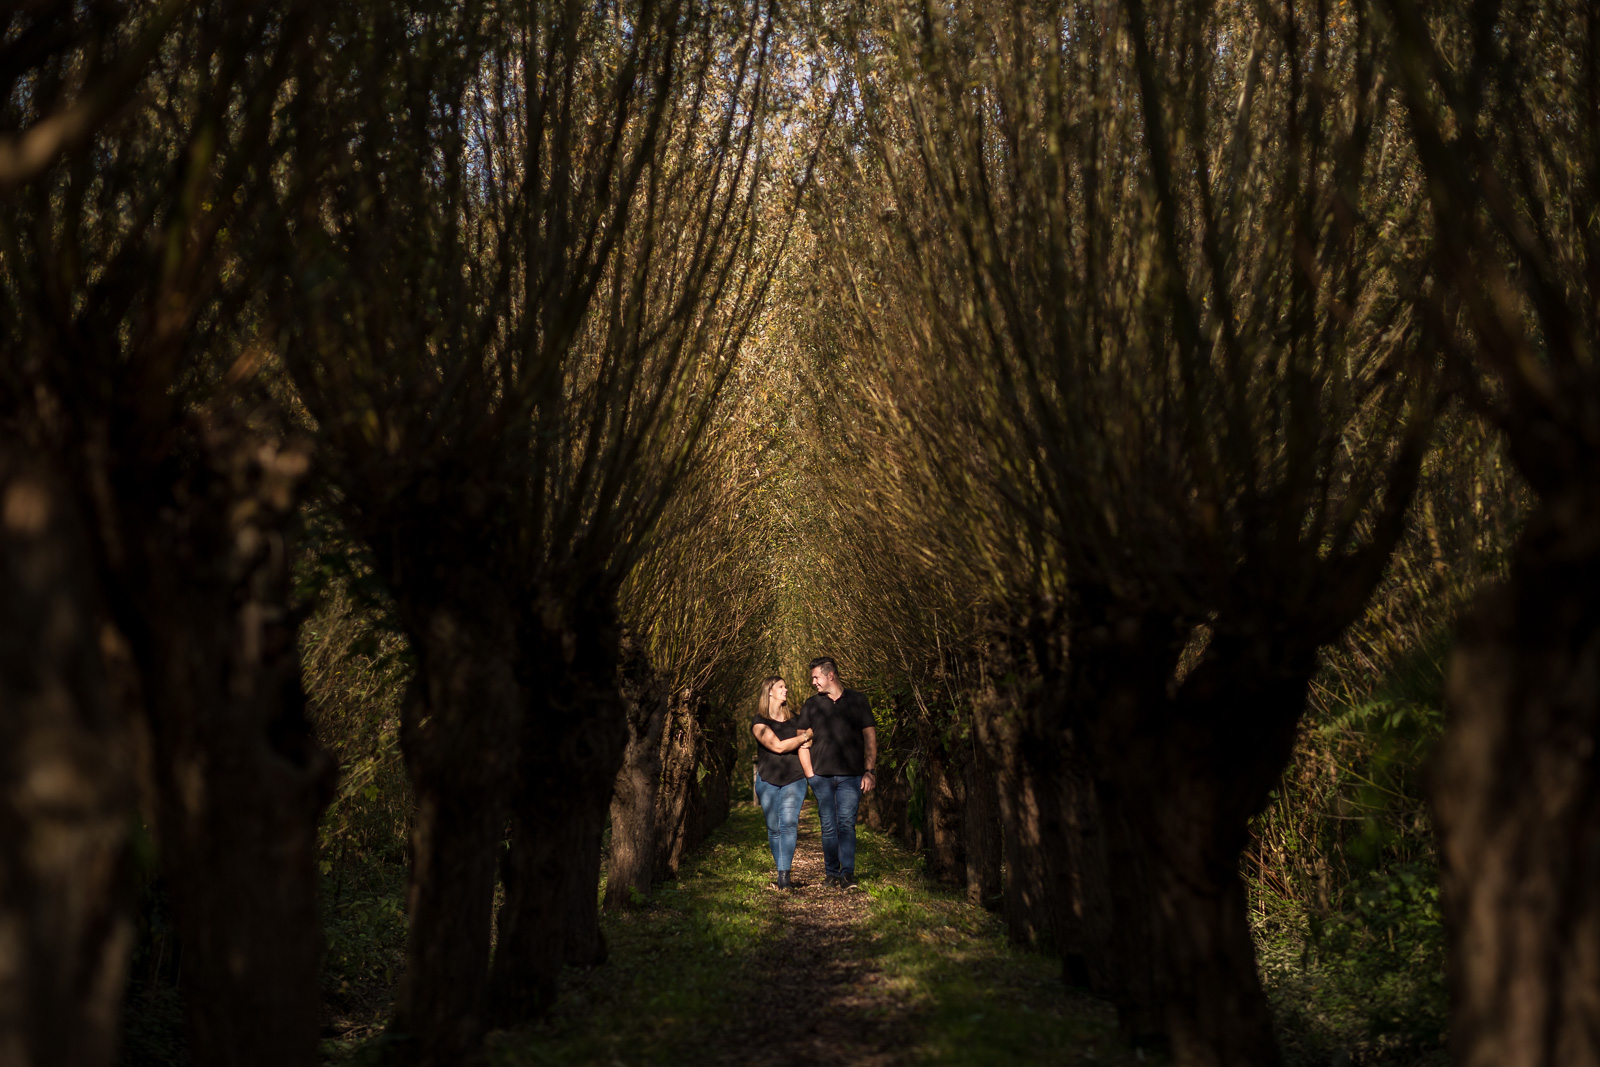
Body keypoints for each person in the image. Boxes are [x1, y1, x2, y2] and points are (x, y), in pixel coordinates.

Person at [798, 656, 877, 890]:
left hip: (851, 777)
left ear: (830, 675)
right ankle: (831, 873)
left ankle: (847, 874)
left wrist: (869, 771)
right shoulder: (811, 705)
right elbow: (801, 740)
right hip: (821, 777)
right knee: (828, 826)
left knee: (846, 824)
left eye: (816, 677)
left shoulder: (858, 700)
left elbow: (870, 738)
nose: (813, 682)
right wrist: (810, 774)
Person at [750, 676, 814, 890]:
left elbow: (809, 742)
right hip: (767, 780)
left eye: (785, 686)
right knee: (773, 828)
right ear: (769, 691)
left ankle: (784, 876)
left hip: (794, 779)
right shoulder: (759, 722)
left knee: (788, 824)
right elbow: (777, 746)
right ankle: (782, 871)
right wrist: (804, 736)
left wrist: (805, 737)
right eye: (781, 686)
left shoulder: (796, 720)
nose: (786, 690)